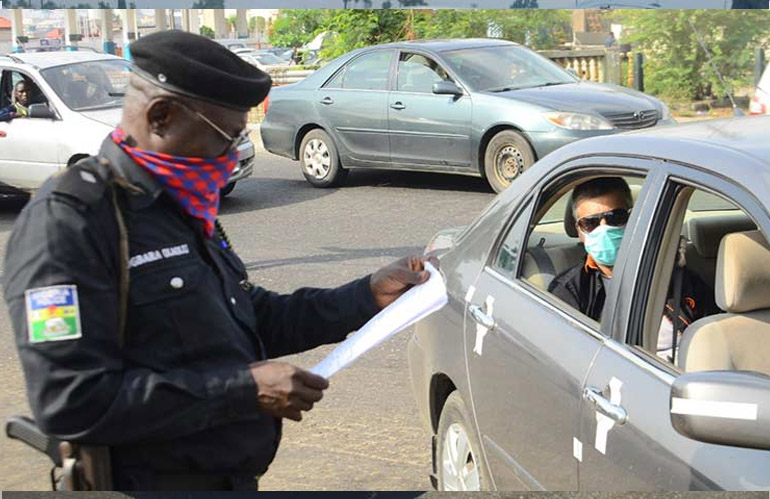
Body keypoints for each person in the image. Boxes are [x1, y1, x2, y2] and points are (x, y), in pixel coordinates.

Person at [3, 30, 436, 491]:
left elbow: (249, 316)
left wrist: (367, 295)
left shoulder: (178, 205)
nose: (232, 157)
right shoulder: (70, 223)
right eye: (225, 138)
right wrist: (242, 390)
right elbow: (70, 402)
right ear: (162, 116)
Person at [548, 177, 717, 359]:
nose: (604, 229)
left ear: (633, 218)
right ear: (579, 231)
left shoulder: (673, 275)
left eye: (615, 218)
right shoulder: (569, 291)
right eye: (591, 223)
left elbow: (714, 338)